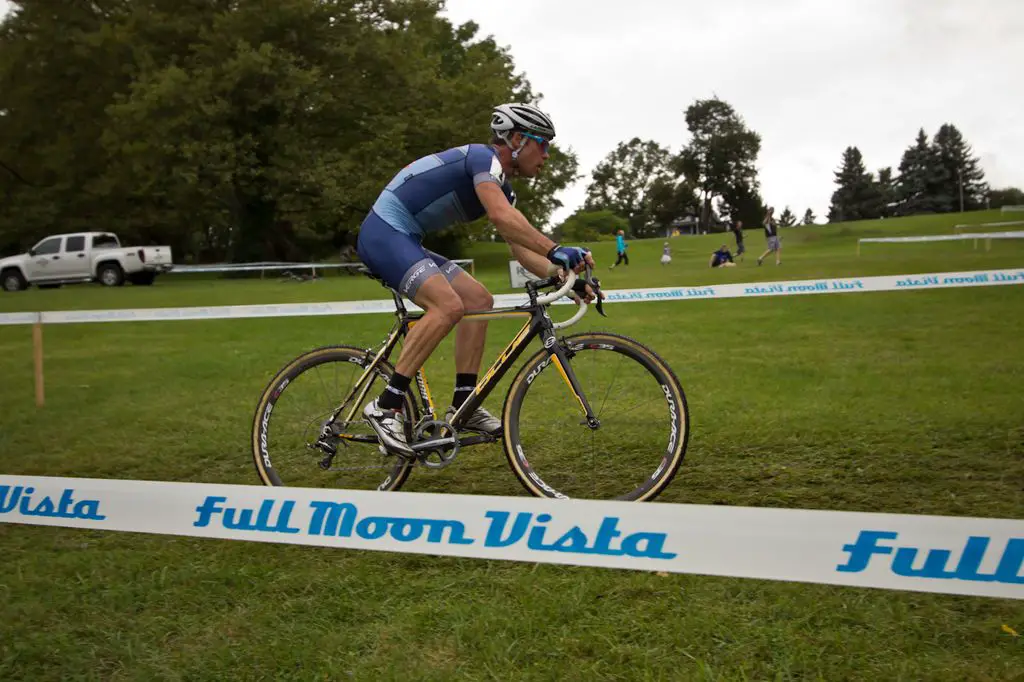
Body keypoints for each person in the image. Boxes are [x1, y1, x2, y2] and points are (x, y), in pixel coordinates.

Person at [355, 103, 595, 455]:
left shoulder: (502, 186)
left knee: (480, 301)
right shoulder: (484, 160)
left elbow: (521, 249)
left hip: (407, 239)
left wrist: (565, 275)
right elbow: (501, 217)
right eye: (541, 144)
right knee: (447, 305)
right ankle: (386, 405)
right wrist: (557, 248)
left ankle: (463, 406)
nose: (546, 154)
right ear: (516, 139)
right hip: (384, 232)